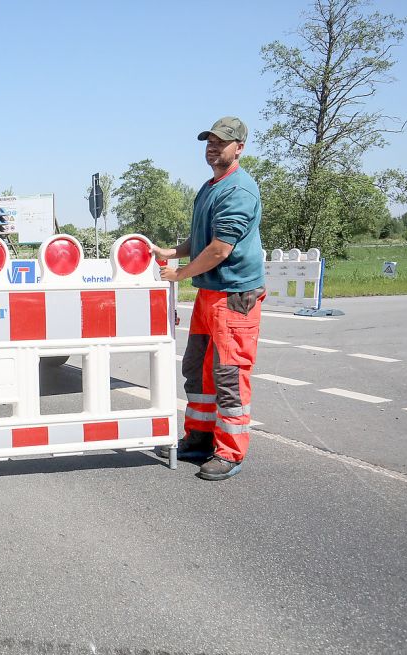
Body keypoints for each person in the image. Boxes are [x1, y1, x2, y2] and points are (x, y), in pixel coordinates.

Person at [151, 116, 265, 481]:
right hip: (210, 293)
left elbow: (219, 249)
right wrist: (171, 252)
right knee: (199, 370)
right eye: (209, 141)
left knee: (229, 374)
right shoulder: (210, 187)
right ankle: (199, 437)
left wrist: (181, 274)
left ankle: (230, 451)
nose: (213, 147)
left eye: (222, 141)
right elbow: (201, 240)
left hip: (235, 295)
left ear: (240, 148)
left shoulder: (240, 190)